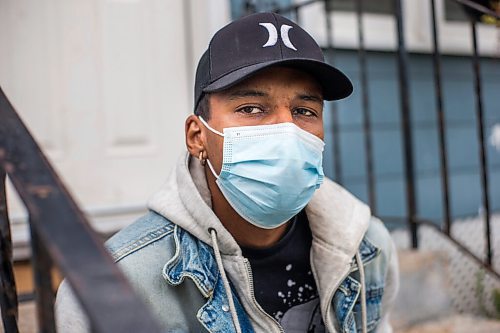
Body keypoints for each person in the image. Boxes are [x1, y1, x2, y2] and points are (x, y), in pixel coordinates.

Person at [56, 12, 399, 333]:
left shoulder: (366, 245)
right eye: (250, 108)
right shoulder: (123, 283)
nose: (286, 130)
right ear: (197, 136)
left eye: (304, 110)